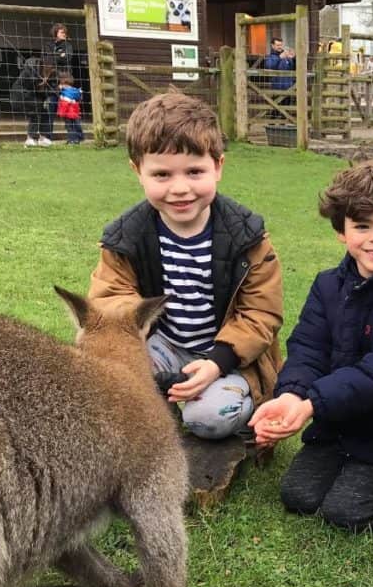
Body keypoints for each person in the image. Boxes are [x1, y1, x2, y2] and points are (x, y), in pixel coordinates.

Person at [248, 159, 373, 532]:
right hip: (335, 427)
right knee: (299, 497)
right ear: (341, 230)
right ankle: (345, 460)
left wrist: (313, 402)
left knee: (347, 513)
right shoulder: (327, 285)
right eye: (363, 225)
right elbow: (308, 348)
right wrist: (293, 395)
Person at [88, 92, 283, 440]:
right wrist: (134, 346)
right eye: (162, 174)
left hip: (227, 354)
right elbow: (108, 300)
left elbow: (261, 314)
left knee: (208, 419)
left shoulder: (248, 238)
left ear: (218, 166)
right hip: (164, 345)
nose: (180, 189)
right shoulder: (125, 238)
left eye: (195, 171)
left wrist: (216, 363)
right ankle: (159, 391)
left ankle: (218, 398)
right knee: (105, 379)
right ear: (138, 171)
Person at [9, 56, 51, 147]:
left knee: (44, 111)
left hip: (32, 95)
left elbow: (41, 92)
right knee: (35, 112)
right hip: (21, 95)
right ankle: (30, 138)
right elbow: (31, 85)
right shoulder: (30, 71)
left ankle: (42, 138)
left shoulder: (46, 73)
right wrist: (39, 82)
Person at [43, 23, 73, 142]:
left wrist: (56, 57)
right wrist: (59, 55)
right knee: (50, 110)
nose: (64, 34)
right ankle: (47, 137)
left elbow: (67, 58)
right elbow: (46, 59)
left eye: (65, 33)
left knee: (68, 110)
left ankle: (72, 138)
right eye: (62, 32)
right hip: (51, 82)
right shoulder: (48, 45)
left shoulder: (68, 45)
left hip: (65, 81)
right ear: (55, 33)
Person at [56, 73, 83, 145]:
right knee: (76, 126)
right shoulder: (75, 91)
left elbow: (65, 104)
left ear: (64, 84)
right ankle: (77, 139)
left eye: (61, 83)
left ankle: (72, 140)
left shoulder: (65, 93)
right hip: (76, 113)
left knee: (69, 127)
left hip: (68, 113)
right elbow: (78, 99)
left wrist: (61, 113)